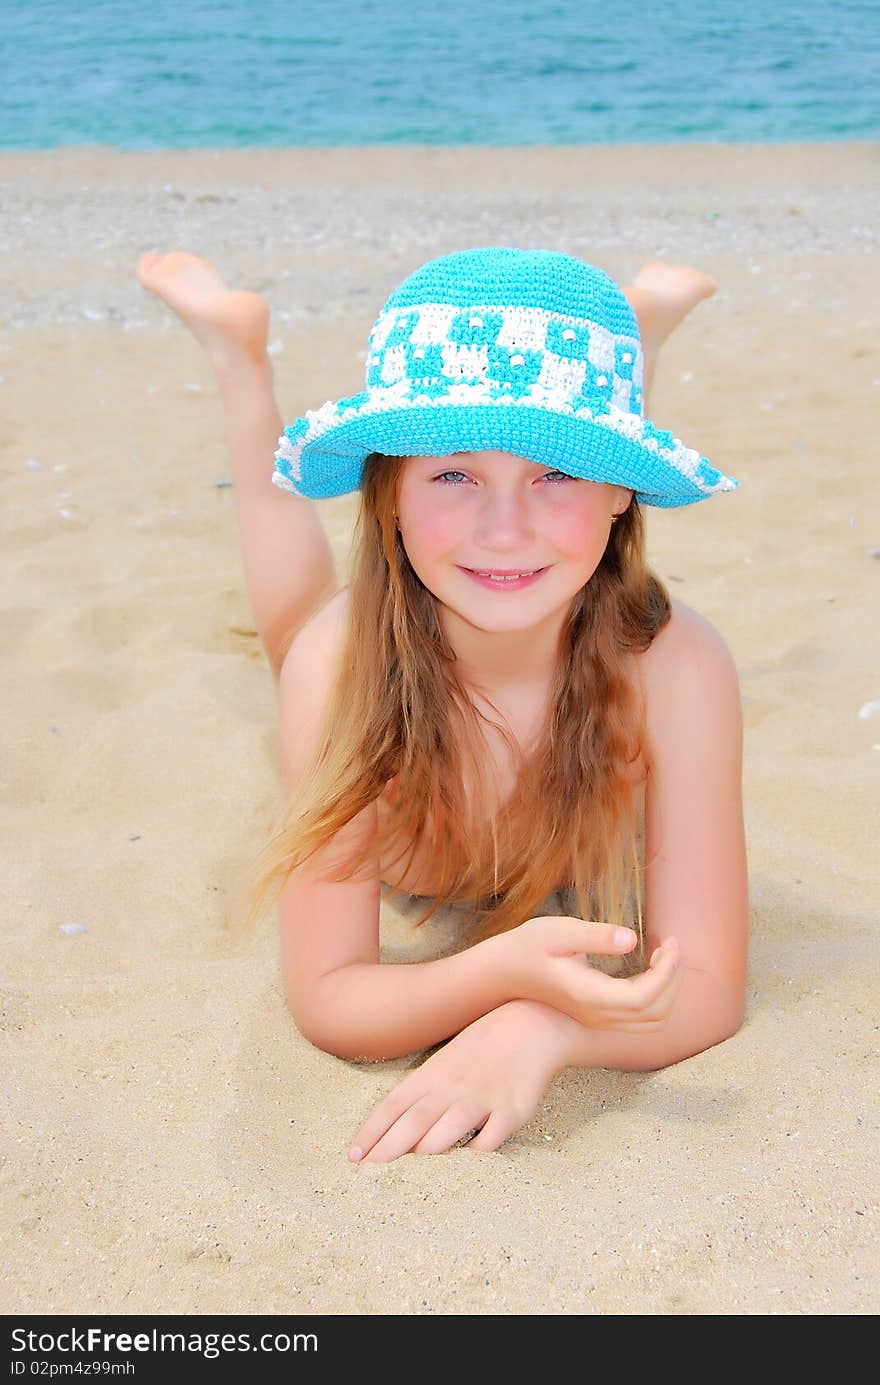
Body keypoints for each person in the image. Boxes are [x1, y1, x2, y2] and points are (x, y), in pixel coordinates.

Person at [136, 246, 749, 1165]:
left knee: (554, 488)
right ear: (387, 493)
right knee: (299, 634)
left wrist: (549, 1028)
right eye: (452, 475)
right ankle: (239, 356)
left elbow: (709, 982)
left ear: (623, 490)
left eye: (558, 473)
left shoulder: (677, 666)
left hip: (593, 572)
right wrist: (493, 973)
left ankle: (623, 352)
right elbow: (329, 995)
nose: (504, 527)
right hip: (364, 651)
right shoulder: (342, 668)